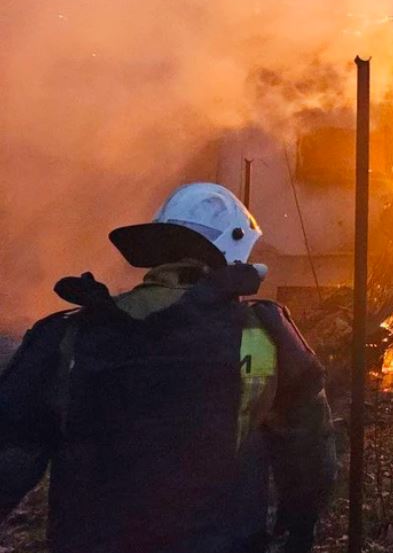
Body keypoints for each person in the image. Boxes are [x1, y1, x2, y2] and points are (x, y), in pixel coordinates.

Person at [0, 183, 337, 553]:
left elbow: (11, 455)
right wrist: (298, 525)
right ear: (233, 249)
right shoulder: (264, 336)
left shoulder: (70, 335)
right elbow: (309, 457)